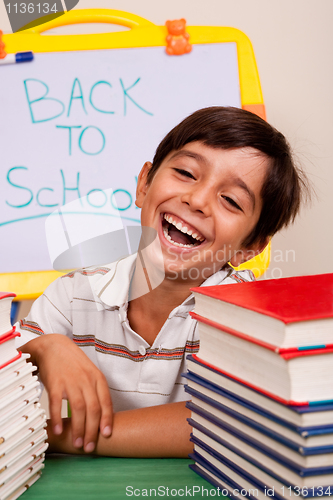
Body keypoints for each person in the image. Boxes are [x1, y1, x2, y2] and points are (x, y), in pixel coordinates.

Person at [15, 106, 310, 458]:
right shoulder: (75, 294)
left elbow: (221, 420)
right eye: (186, 173)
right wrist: (45, 348)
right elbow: (9, 365)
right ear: (144, 184)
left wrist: (58, 436)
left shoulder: (246, 312)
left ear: (251, 246)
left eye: (230, 200)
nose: (197, 200)